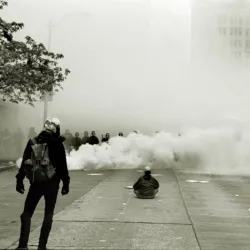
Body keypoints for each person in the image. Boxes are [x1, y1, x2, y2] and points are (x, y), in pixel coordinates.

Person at [15, 117, 70, 250]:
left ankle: (22, 245)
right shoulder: (57, 144)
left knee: (27, 213)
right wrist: (66, 183)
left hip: (36, 182)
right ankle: (42, 247)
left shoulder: (32, 141)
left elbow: (25, 162)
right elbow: (63, 166)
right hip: (52, 183)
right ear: (57, 128)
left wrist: (20, 180)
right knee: (48, 213)